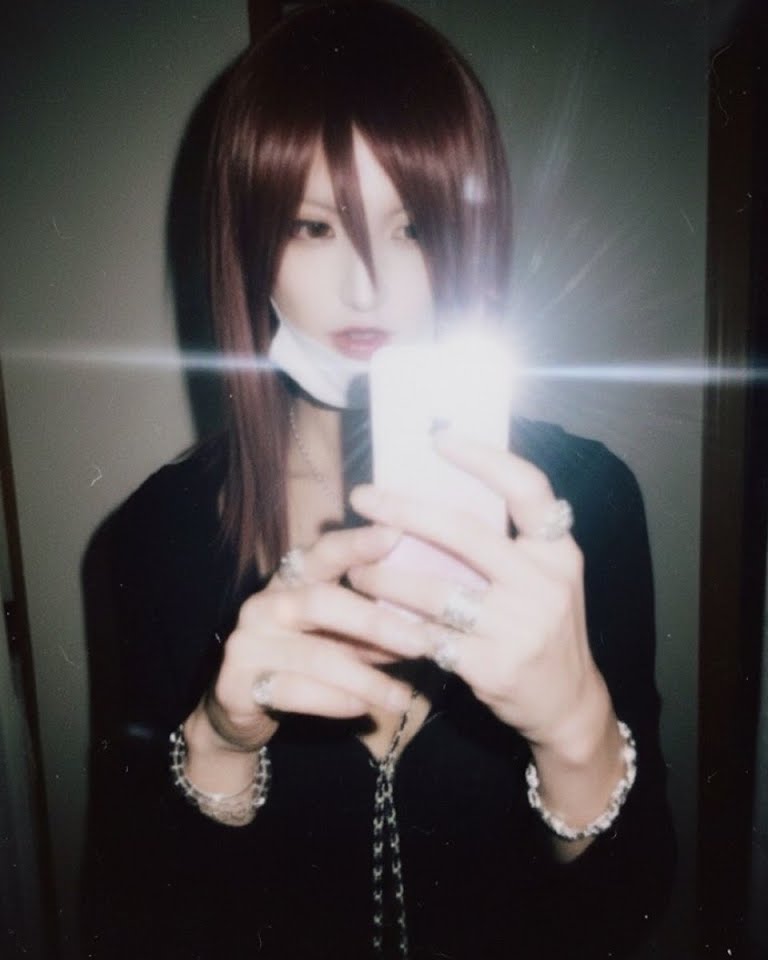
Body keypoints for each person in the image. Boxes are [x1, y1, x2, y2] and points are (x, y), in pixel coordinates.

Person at [81, 3, 674, 958]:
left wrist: (576, 733)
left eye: (414, 228)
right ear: (249, 247)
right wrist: (221, 743)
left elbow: (632, 912)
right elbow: (140, 919)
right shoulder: (158, 531)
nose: (368, 289)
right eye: (314, 226)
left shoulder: (587, 503)